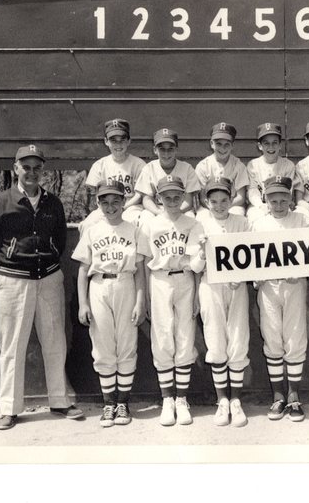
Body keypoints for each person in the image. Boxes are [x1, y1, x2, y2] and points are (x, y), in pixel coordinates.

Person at [0, 145, 82, 430]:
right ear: (15, 168)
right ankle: (9, 408)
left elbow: (59, 240)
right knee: (12, 346)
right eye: (26, 166)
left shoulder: (53, 203)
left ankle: (59, 401)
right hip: (13, 281)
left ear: (42, 171)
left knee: (55, 341)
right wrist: (8, 268)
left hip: (48, 279)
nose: (31, 172)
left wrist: (46, 259)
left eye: (37, 167)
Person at [72, 181, 146, 428]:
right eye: (105, 201)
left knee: (126, 344)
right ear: (98, 203)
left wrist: (140, 301)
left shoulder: (134, 229)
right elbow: (83, 269)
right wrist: (83, 303)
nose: (111, 206)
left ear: (124, 202)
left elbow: (139, 271)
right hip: (99, 286)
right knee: (103, 346)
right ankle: (108, 404)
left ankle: (123, 402)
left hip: (125, 282)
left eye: (116, 201)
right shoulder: (93, 230)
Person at [136, 175, 204, 426]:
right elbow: (143, 262)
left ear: (184, 196)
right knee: (163, 336)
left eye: (177, 196)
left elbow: (198, 264)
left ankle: (182, 399)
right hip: (160, 279)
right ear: (159, 198)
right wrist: (146, 295)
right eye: (167, 196)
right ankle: (167, 399)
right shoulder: (150, 224)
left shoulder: (193, 223)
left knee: (185, 335)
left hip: (185, 279)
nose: (173, 200)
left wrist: (197, 293)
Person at [250, 176, 309, 421]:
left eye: (283, 199)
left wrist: (303, 272)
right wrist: (257, 276)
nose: (278, 204)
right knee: (273, 337)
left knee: (295, 337)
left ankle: (294, 396)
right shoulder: (258, 223)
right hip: (269, 286)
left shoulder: (302, 220)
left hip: (294, 284)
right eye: (273, 199)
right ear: (265, 199)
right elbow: (250, 257)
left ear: (290, 198)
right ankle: (278, 396)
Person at [189, 177, 251, 427]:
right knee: (215, 341)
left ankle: (236, 401)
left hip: (236, 287)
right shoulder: (199, 223)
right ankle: (222, 400)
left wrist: (242, 275)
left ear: (232, 198)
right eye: (213, 201)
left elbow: (252, 257)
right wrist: (202, 251)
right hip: (210, 286)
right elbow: (194, 265)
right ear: (206, 201)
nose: (219, 205)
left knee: (237, 339)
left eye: (224, 199)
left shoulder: (242, 221)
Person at [80, 119, 146, 234]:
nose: (118, 144)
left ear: (129, 141)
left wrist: (123, 207)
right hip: (106, 207)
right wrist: (108, 208)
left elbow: (140, 195)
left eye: (122, 140)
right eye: (113, 140)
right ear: (106, 141)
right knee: (87, 224)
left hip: (131, 206)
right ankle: (88, 252)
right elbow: (95, 195)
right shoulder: (100, 165)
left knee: (134, 223)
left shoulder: (138, 164)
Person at [135, 128, 200, 221]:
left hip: (181, 209)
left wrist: (177, 213)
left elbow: (188, 201)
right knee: (145, 217)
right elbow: (147, 199)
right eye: (162, 149)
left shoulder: (187, 168)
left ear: (176, 150)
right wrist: (160, 214)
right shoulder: (149, 168)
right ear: (155, 150)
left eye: (170, 149)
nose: (166, 153)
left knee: (190, 218)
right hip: (157, 209)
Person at [246, 122, 303, 223]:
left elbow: (288, 191)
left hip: (281, 204)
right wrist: (260, 205)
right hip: (259, 205)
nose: (271, 147)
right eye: (266, 143)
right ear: (260, 146)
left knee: (288, 219)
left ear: (280, 145)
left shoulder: (288, 165)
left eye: (274, 143)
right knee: (254, 217)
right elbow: (252, 190)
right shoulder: (253, 165)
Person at [195, 122, 250, 218]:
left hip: (232, 205)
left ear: (232, 145)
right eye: (218, 144)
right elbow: (202, 197)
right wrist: (215, 207)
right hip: (209, 206)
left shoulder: (238, 166)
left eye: (227, 144)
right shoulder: (203, 166)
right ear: (212, 144)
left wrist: (224, 207)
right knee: (202, 217)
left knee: (237, 215)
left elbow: (241, 197)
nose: (222, 148)